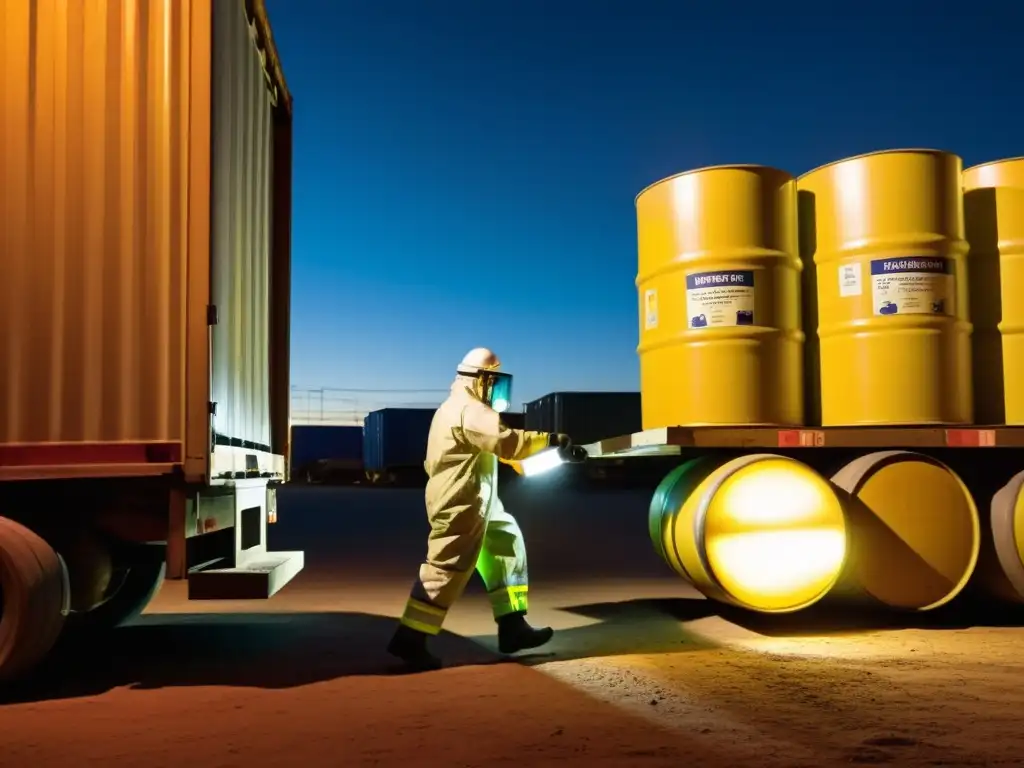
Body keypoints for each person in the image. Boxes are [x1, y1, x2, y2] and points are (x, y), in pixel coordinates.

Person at [387, 347, 573, 671]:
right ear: (480, 379)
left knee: (505, 542)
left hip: (477, 497)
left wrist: (537, 459)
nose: (497, 390)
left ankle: (513, 626)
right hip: (461, 500)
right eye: (494, 382)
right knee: (446, 568)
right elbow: (506, 441)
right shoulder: (469, 409)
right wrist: (551, 440)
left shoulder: (461, 408)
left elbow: (496, 448)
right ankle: (410, 638)